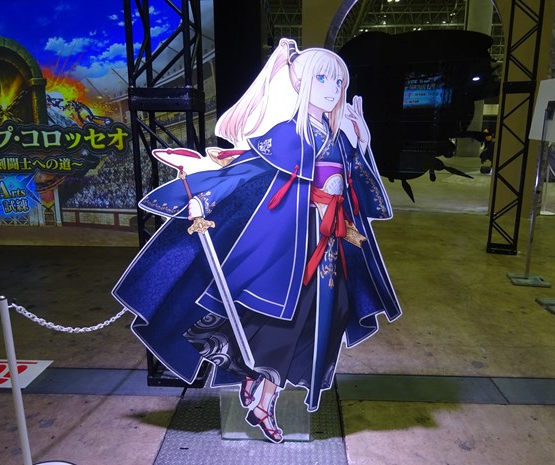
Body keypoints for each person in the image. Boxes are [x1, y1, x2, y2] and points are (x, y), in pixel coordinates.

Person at [112, 38, 402, 443]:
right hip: (286, 248)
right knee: (278, 324)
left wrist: (362, 143)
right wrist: (202, 197)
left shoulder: (339, 136)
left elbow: (361, 190)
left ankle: (258, 384)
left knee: (324, 321)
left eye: (338, 82)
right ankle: (263, 401)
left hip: (330, 248)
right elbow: (245, 172)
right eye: (321, 79)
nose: (332, 89)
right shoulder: (286, 133)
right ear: (300, 83)